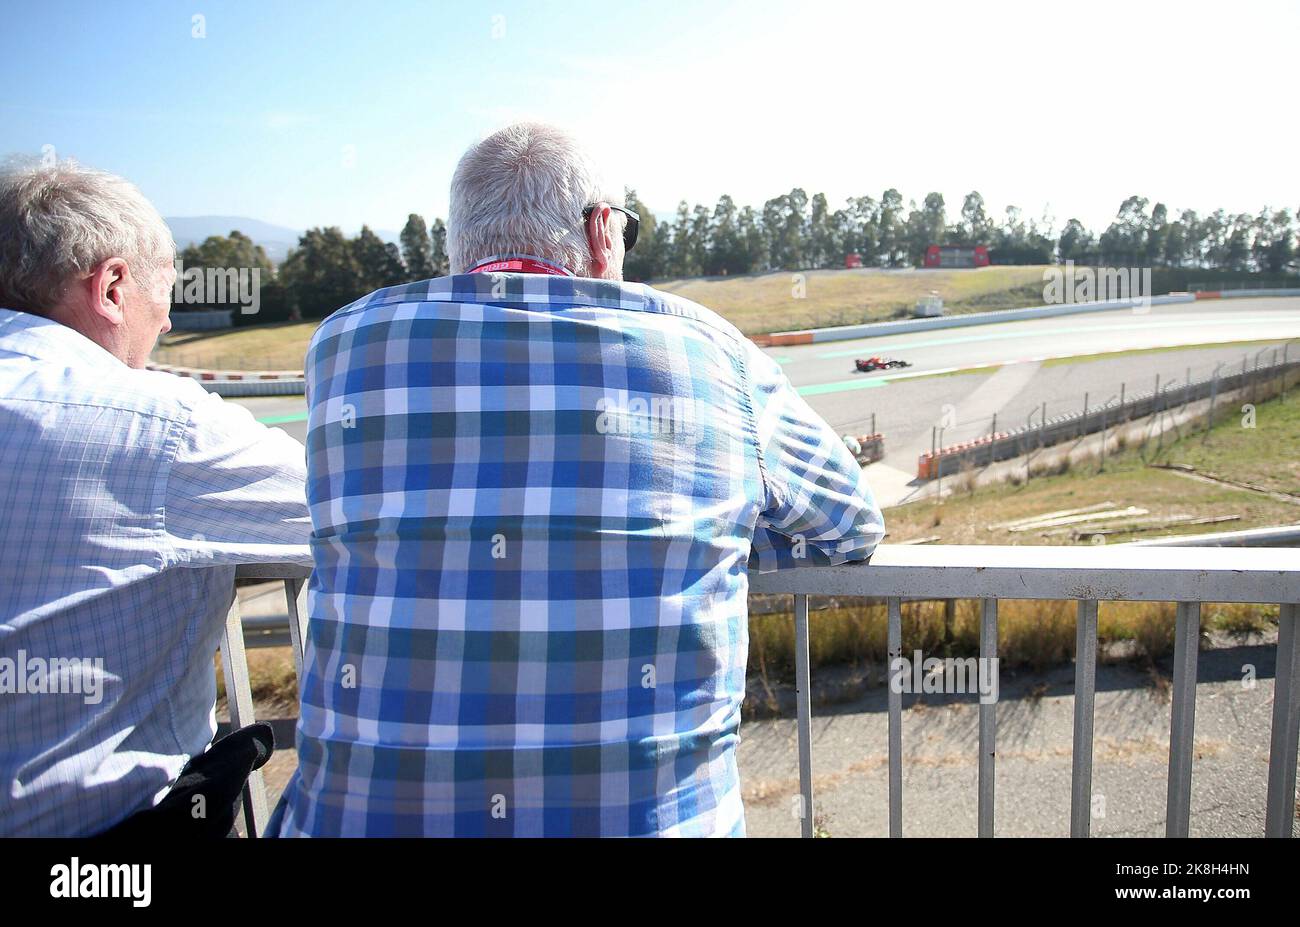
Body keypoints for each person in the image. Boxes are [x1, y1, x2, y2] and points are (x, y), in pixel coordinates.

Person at [272, 122, 884, 837]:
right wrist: (704, 548)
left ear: (458, 244)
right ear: (601, 231)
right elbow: (850, 525)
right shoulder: (710, 351)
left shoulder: (343, 346)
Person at [0, 160, 312, 836]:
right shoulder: (161, 424)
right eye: (161, 293)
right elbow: (357, 514)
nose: (166, 322)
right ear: (112, 286)